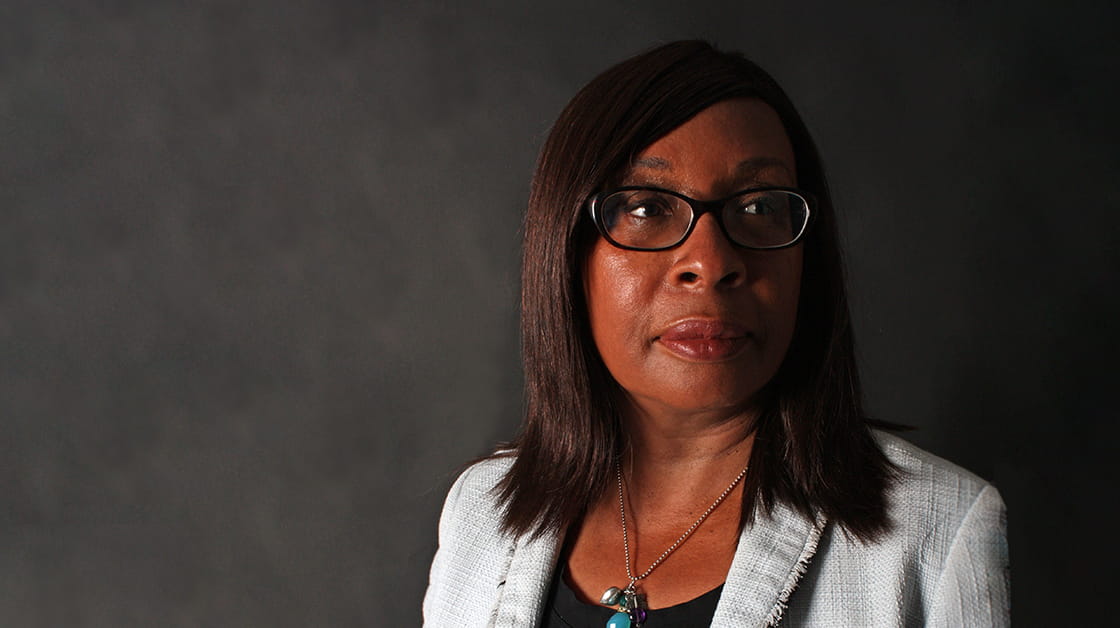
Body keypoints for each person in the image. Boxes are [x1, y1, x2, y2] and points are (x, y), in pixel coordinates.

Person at [423, 40, 1008, 627]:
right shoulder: (481, 510)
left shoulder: (938, 528)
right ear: (566, 250)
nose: (710, 261)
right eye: (648, 208)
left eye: (758, 208)